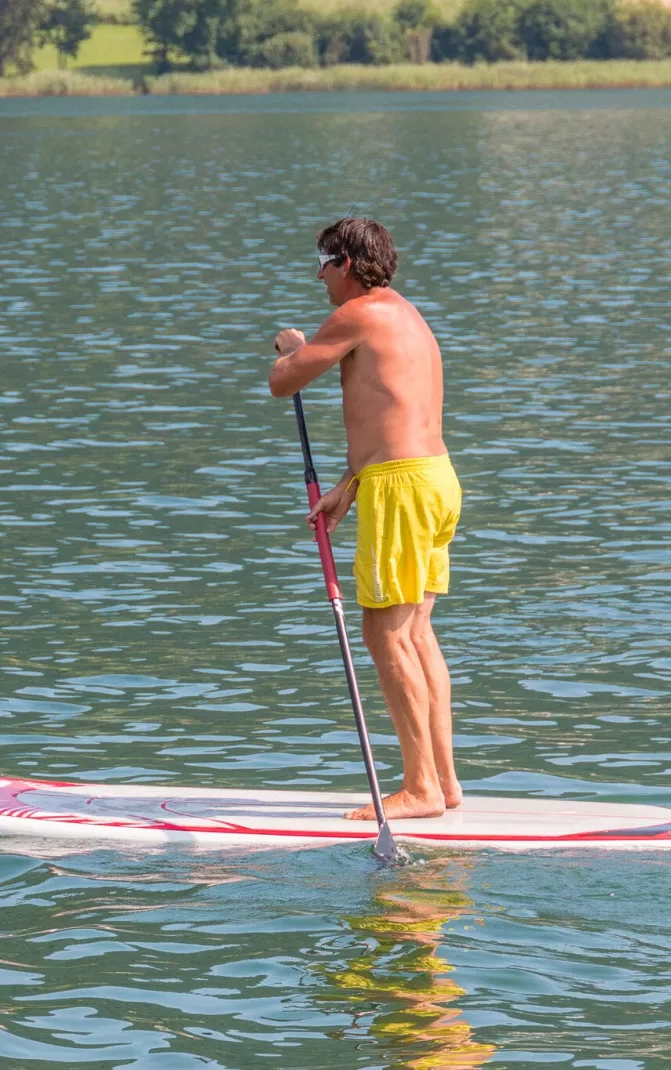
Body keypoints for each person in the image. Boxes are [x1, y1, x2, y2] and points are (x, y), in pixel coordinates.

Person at [268, 217, 462, 822]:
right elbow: (399, 411)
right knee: (416, 634)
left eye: (322, 262)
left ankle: (420, 787)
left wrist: (291, 347)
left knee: (384, 634)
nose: (318, 275)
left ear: (345, 262)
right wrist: (351, 485)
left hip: (402, 490)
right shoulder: (405, 313)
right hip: (430, 480)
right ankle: (444, 784)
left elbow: (284, 382)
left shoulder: (358, 313)